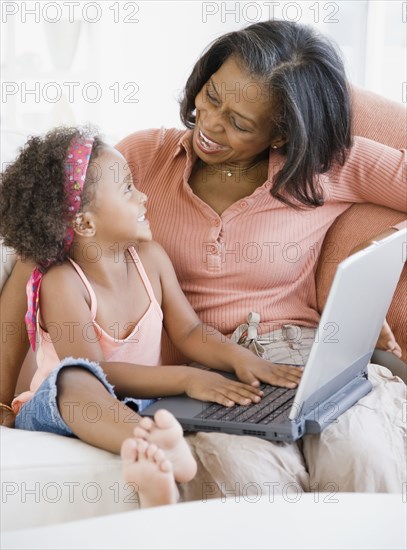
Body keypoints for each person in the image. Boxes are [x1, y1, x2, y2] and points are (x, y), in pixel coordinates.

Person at [1, 20, 406, 495]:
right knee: (242, 482)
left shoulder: (327, 165)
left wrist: (374, 261)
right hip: (200, 378)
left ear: (281, 134)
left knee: (366, 461)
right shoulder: (143, 158)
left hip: (305, 357)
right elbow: (46, 244)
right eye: (212, 97)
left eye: (240, 123)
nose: (211, 125)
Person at [0, 126, 303, 507]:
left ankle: (155, 470)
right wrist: (188, 378)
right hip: (60, 408)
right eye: (127, 189)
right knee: (74, 379)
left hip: (142, 402)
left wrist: (241, 358)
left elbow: (190, 331)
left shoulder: (150, 259)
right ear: (85, 224)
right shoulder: (64, 283)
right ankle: (147, 445)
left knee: (166, 408)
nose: (143, 197)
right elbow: (97, 370)